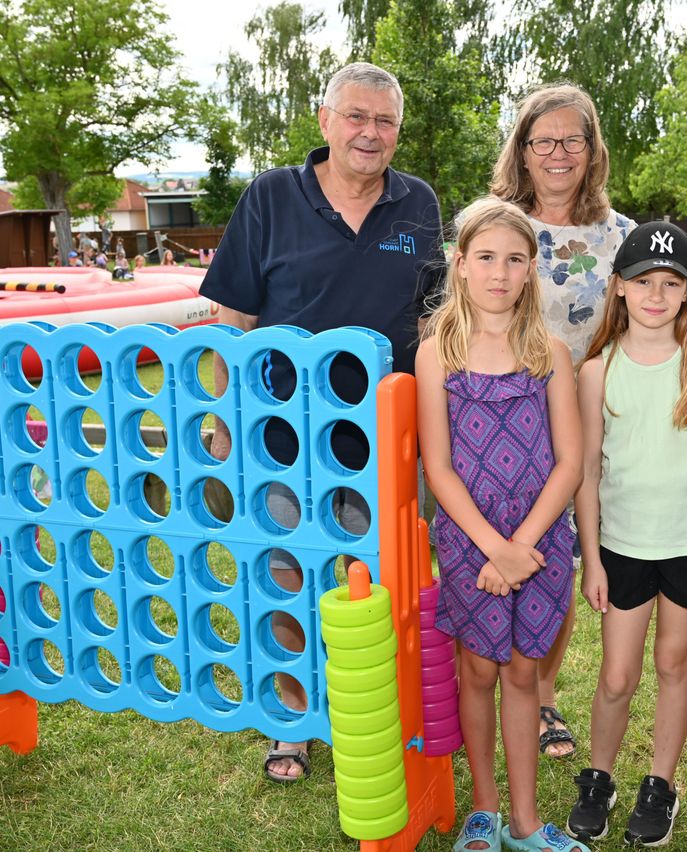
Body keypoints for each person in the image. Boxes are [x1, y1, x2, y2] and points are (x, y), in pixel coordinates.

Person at [199, 62, 444, 784]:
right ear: (325, 119)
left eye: (385, 121)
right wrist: (223, 423)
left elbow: (431, 324)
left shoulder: (419, 204)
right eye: (356, 116)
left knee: (383, 587)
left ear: (398, 131)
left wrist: (436, 426)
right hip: (282, 440)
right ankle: (294, 722)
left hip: (386, 444)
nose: (370, 133)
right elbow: (233, 318)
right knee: (288, 582)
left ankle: (376, 713)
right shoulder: (271, 197)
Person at [417, 197, 585, 852]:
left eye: (515, 260)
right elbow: (440, 468)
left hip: (539, 538)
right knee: (478, 672)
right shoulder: (438, 354)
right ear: (460, 265)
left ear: (530, 272)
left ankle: (524, 820)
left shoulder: (550, 354)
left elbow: (569, 463)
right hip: (468, 542)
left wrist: (521, 547)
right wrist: (493, 547)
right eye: (485, 257)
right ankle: (482, 811)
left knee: (522, 674)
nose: (499, 272)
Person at [569, 221, 687, 847]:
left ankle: (659, 786)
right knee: (617, 675)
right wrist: (591, 557)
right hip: (622, 545)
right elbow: (587, 473)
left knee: (673, 662)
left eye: (672, 284)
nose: (656, 295)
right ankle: (600, 778)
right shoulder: (597, 372)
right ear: (618, 288)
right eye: (643, 281)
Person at [491, 82, 636, 759]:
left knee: (558, 557)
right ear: (522, 150)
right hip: (498, 422)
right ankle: (486, 685)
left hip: (592, 423)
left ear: (591, 149)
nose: (556, 152)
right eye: (541, 140)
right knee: (488, 551)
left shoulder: (621, 236)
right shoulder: (493, 224)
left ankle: (543, 698)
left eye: (570, 139)